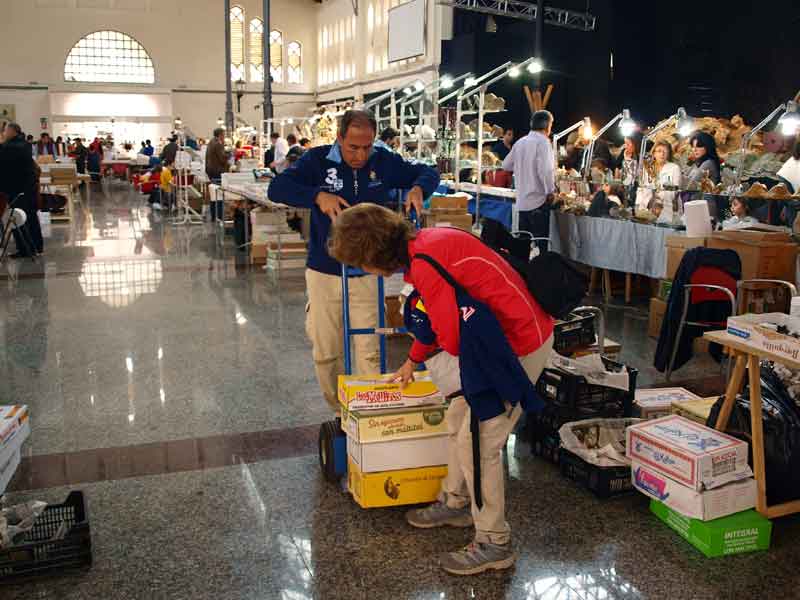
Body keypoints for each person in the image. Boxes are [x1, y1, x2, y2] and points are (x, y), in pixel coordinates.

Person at [328, 204, 554, 575]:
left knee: (478, 443)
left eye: (362, 263)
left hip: (518, 347)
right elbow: (440, 320)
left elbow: (448, 335)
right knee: (458, 418)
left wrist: (433, 343)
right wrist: (412, 360)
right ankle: (456, 501)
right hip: (499, 341)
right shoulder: (426, 243)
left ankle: (494, 541)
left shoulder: (424, 264)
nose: (365, 271)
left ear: (375, 254)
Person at [267, 109, 439, 412]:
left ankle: (368, 413)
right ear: (339, 138)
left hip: (367, 272)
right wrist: (317, 196)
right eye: (353, 147)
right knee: (326, 349)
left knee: (369, 349)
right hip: (324, 270)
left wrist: (418, 188)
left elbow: (429, 171)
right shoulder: (317, 160)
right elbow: (277, 188)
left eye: (367, 147)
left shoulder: (383, 161)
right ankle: (339, 411)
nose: (360, 155)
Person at [502, 111, 555, 254]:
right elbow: (546, 171)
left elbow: (505, 165)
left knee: (522, 248)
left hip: (522, 202)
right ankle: (541, 268)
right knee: (542, 246)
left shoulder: (520, 142)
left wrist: (522, 166)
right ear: (547, 125)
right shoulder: (543, 142)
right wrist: (550, 191)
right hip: (538, 201)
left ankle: (520, 269)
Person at [0, 122, 43, 257]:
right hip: (28, 188)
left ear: (12, 131)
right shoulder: (25, 144)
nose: (3, 134)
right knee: (30, 218)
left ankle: (25, 249)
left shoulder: (9, 147)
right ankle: (37, 247)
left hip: (16, 189)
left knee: (18, 218)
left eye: (5, 131)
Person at [640, 141, 682, 222]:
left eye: (665, 151)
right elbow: (643, 189)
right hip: (648, 208)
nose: (662, 154)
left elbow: (674, 191)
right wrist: (647, 203)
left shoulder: (674, 168)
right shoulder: (648, 168)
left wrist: (658, 197)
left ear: (668, 154)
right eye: (659, 151)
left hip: (668, 209)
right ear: (654, 153)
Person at [205, 127, 229, 221]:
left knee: (213, 193)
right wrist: (230, 154)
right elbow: (222, 158)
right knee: (219, 193)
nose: (224, 136)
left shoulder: (211, 142)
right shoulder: (218, 144)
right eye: (224, 134)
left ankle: (214, 215)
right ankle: (219, 215)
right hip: (217, 171)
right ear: (220, 135)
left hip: (211, 170)